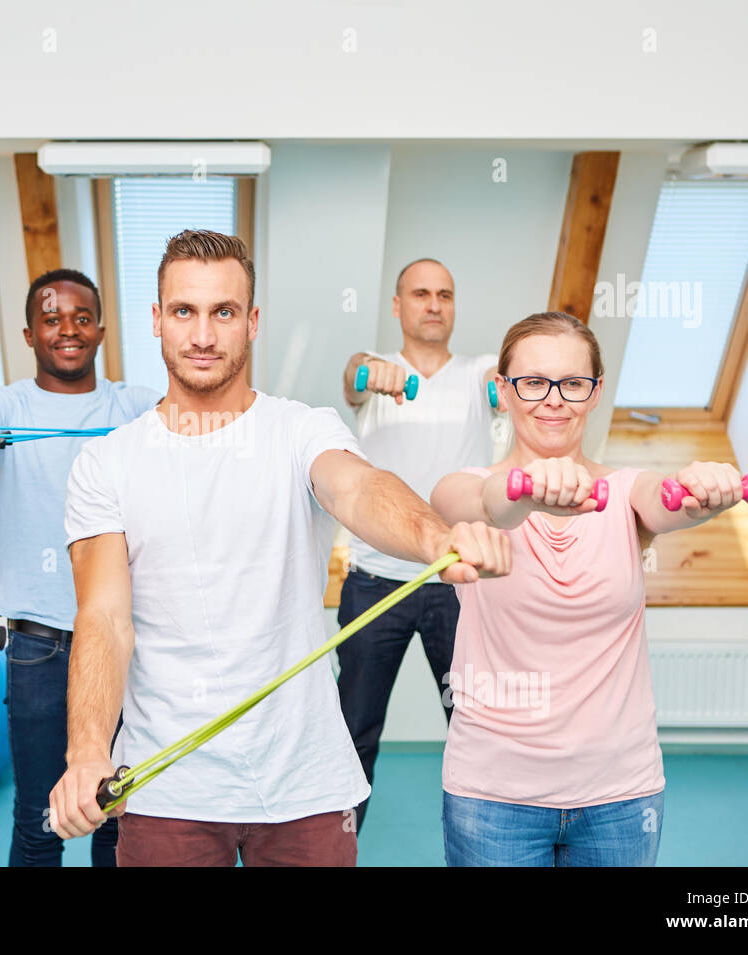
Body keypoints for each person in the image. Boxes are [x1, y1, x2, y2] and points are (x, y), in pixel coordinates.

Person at [47, 230, 511, 867]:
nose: (204, 335)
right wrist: (87, 751)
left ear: (253, 322)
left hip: (306, 783)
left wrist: (436, 536)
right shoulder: (105, 463)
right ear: (157, 320)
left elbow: (360, 487)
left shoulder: (302, 428)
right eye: (184, 311)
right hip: (168, 785)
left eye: (224, 312)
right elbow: (102, 617)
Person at [429, 311, 748, 866]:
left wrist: (703, 488)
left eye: (573, 383)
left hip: (621, 795)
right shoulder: (463, 487)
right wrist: (527, 490)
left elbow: (666, 497)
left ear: (595, 391)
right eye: (532, 382)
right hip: (492, 794)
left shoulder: (626, 492)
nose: (553, 399)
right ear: (503, 390)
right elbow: (488, 507)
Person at [0, 268, 158, 867]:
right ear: (30, 334)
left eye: (82, 318)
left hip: (121, 642)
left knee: (115, 817)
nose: (68, 330)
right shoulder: (3, 408)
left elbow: (189, 425)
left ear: (101, 330)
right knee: (38, 822)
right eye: (52, 320)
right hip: (38, 648)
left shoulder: (133, 405)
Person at [338, 257, 502, 831]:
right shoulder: (377, 372)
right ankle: (338, 845)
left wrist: (512, 388)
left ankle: (490, 842)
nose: (434, 304)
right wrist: (364, 370)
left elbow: (504, 387)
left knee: (474, 726)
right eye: (421, 293)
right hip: (373, 582)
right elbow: (353, 377)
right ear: (397, 306)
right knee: (353, 729)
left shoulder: (483, 371)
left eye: (445, 295)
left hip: (455, 585)